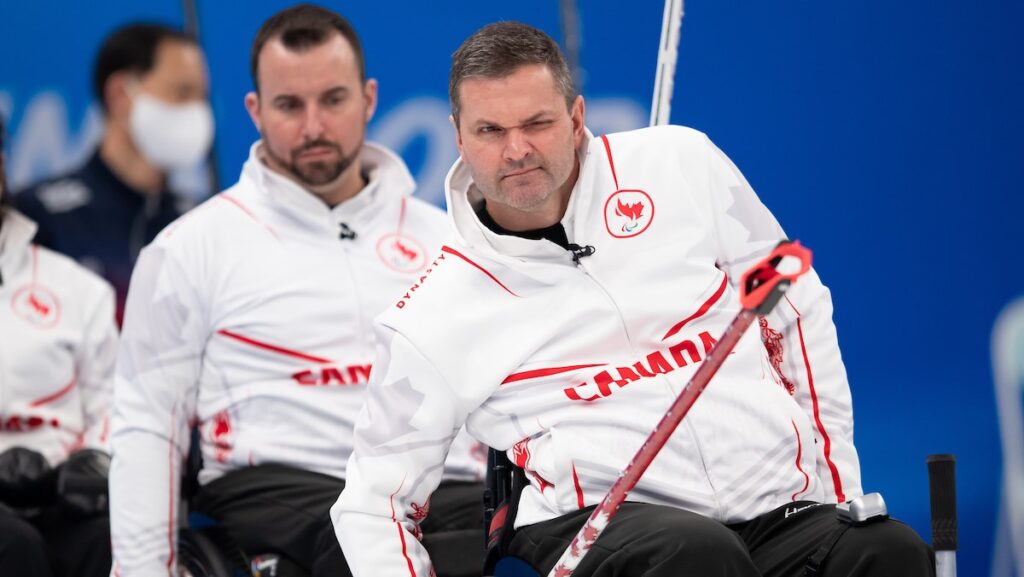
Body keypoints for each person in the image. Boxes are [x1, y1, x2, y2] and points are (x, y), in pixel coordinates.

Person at [332, 21, 934, 577]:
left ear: (575, 118)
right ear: (459, 138)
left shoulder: (681, 164)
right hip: (594, 532)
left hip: (772, 507)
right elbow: (372, 501)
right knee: (697, 555)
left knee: (885, 550)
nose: (516, 150)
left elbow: (795, 305)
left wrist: (832, 491)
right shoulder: (434, 310)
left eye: (537, 123)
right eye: (491, 130)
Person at [108, 6, 484, 577]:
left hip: (440, 483)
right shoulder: (188, 248)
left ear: (369, 99)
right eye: (289, 105)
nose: (313, 126)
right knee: (371, 546)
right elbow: (146, 426)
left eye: (333, 100)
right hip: (284, 487)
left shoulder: (451, 238)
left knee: (523, 543)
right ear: (255, 111)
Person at [15, 23, 212, 325]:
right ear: (121, 94)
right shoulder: (38, 216)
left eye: (202, 97)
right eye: (182, 93)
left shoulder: (202, 221)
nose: (197, 112)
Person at [0, 113, 119, 577]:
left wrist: (94, 459)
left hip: (65, 494)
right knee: (15, 546)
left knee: (119, 536)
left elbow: (114, 402)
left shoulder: (78, 288)